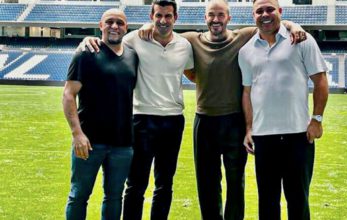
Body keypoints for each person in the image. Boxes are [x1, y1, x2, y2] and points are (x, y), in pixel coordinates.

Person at [138, 0, 306, 219]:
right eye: (211, 15)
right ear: (205, 18)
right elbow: (165, 31)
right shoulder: (191, 40)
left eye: (220, 15)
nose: (215, 20)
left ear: (229, 18)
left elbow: (270, 22)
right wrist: (147, 26)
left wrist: (295, 26)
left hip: (234, 121)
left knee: (235, 182)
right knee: (206, 181)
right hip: (204, 120)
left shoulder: (243, 37)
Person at [79, 1, 194, 219]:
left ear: (175, 18)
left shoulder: (184, 45)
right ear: (152, 15)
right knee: (136, 183)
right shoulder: (135, 39)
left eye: (168, 16)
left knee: (165, 183)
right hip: (142, 119)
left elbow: (190, 71)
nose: (163, 20)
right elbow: (108, 42)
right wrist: (88, 38)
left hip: (173, 120)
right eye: (158, 15)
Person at [238, 0, 328, 219]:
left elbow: (320, 80)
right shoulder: (246, 51)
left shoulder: (301, 40)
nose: (265, 14)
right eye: (259, 11)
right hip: (263, 137)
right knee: (267, 203)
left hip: (298, 135)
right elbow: (247, 92)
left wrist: (316, 119)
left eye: (270, 9)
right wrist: (249, 128)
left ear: (280, 12)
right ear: (253, 16)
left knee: (298, 200)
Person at [63, 9, 138, 220]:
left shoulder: (133, 55)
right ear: (101, 25)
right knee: (79, 195)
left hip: (123, 142)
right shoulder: (86, 53)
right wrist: (77, 134)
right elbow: (69, 95)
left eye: (120, 23)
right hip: (90, 141)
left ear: (126, 27)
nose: (115, 26)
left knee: (114, 197)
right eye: (110, 22)